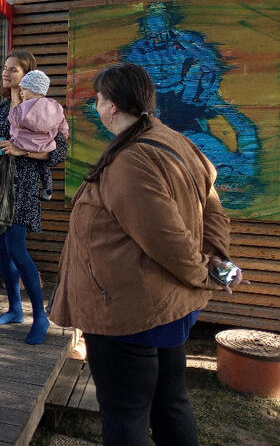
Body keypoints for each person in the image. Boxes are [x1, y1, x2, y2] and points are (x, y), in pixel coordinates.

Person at [48, 62, 246, 446]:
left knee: (126, 417)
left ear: (113, 106)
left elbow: (166, 239)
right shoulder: (171, 139)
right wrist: (216, 260)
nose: (96, 107)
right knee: (169, 402)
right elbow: (212, 208)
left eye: (98, 100)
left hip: (129, 313)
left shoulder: (132, 161)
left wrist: (205, 271)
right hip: (163, 305)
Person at [0, 51, 67, 345]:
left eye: (12, 69)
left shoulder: (45, 109)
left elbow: (59, 153)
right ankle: (15, 309)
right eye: (5, 68)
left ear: (27, 76)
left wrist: (22, 151)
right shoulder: (2, 108)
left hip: (21, 188)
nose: (5, 73)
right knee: (2, 250)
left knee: (17, 250)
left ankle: (40, 317)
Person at [8, 69, 69, 200]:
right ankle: (48, 189)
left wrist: (14, 108)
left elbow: (14, 119)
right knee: (44, 166)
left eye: (24, 89)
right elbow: (62, 124)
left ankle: (15, 180)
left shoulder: (24, 106)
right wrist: (64, 134)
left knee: (13, 158)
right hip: (45, 145)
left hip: (23, 144)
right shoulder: (55, 106)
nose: (21, 93)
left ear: (36, 90)